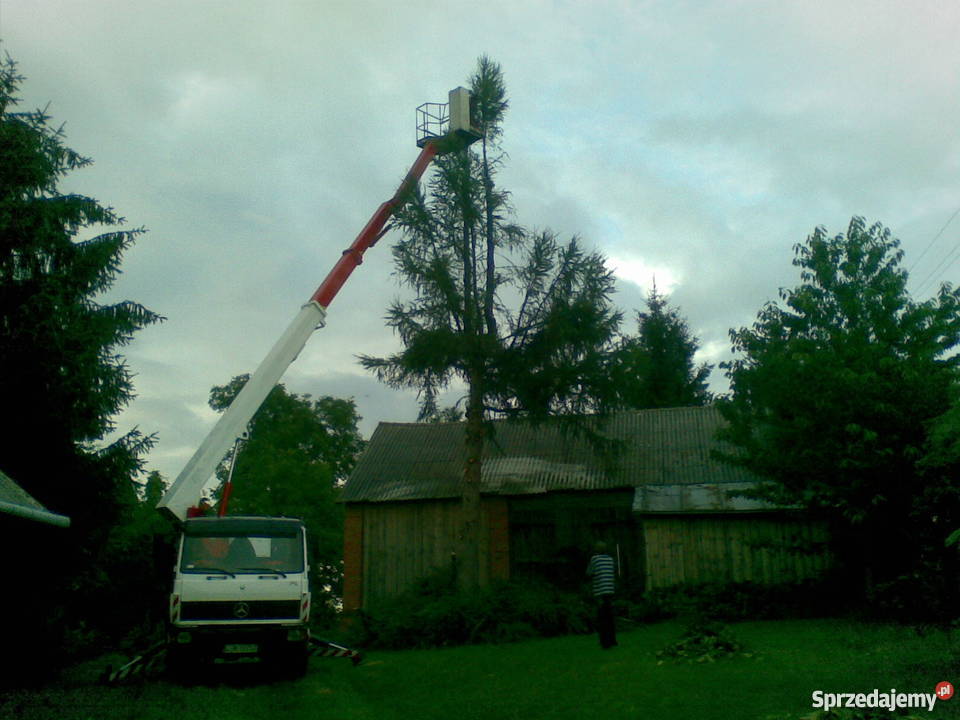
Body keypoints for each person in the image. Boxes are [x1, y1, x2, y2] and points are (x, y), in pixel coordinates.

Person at [586, 541, 618, 649]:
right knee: (610, 616)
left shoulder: (594, 559)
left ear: (597, 550)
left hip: (600, 591)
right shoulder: (610, 559)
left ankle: (605, 642)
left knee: (602, 617)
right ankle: (613, 639)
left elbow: (589, 573)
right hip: (610, 590)